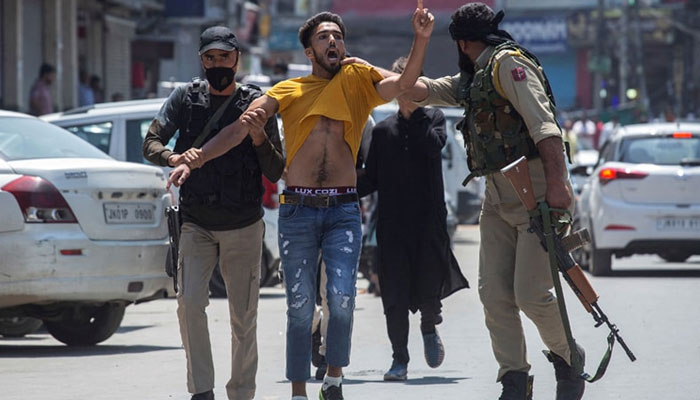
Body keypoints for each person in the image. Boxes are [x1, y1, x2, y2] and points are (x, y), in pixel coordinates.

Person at [168, 5, 435, 400]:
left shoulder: (358, 82)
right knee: (300, 305)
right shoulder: (287, 91)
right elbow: (239, 128)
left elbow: (406, 85)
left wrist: (421, 39)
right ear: (310, 52)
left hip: (343, 210)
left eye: (338, 36)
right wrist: (195, 158)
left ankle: (333, 380)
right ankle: (298, 391)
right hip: (298, 210)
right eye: (324, 37)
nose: (333, 41)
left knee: (341, 300)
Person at [399, 3, 584, 399]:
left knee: (531, 294)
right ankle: (514, 378)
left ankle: (569, 359)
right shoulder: (472, 78)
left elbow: (545, 126)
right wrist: (420, 41)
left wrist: (558, 184)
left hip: (535, 192)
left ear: (462, 42)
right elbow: (411, 89)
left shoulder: (507, 65)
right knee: (495, 295)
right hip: (498, 196)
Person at [142, 26, 285, 400]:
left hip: (243, 224)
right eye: (210, 58)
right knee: (189, 304)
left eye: (224, 57)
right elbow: (151, 142)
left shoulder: (256, 103)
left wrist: (259, 136)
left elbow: (275, 170)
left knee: (244, 317)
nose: (217, 64)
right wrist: (173, 157)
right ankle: (201, 390)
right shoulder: (184, 98)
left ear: (237, 59)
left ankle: (241, 392)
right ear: (201, 61)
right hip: (196, 223)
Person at [357, 56, 469, 382]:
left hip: (428, 223)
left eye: (413, 84)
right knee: (393, 296)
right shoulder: (382, 131)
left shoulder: (434, 119)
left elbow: (432, 147)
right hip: (392, 226)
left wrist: (414, 113)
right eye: (401, 85)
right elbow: (371, 179)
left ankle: (429, 326)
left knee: (428, 288)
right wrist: (339, 186)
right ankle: (399, 360)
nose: (406, 91)